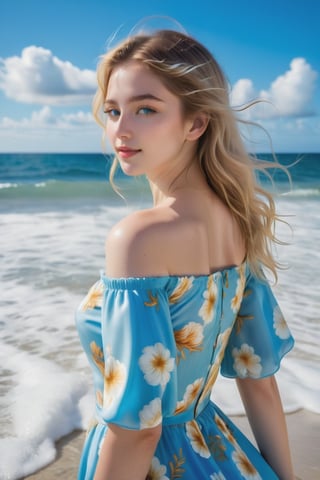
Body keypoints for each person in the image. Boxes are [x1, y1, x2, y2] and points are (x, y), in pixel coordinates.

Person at [76, 29, 295, 480]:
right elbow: (261, 385)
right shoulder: (238, 223)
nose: (120, 128)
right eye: (113, 110)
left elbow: (139, 431)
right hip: (222, 454)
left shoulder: (137, 238)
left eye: (146, 109)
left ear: (196, 124)